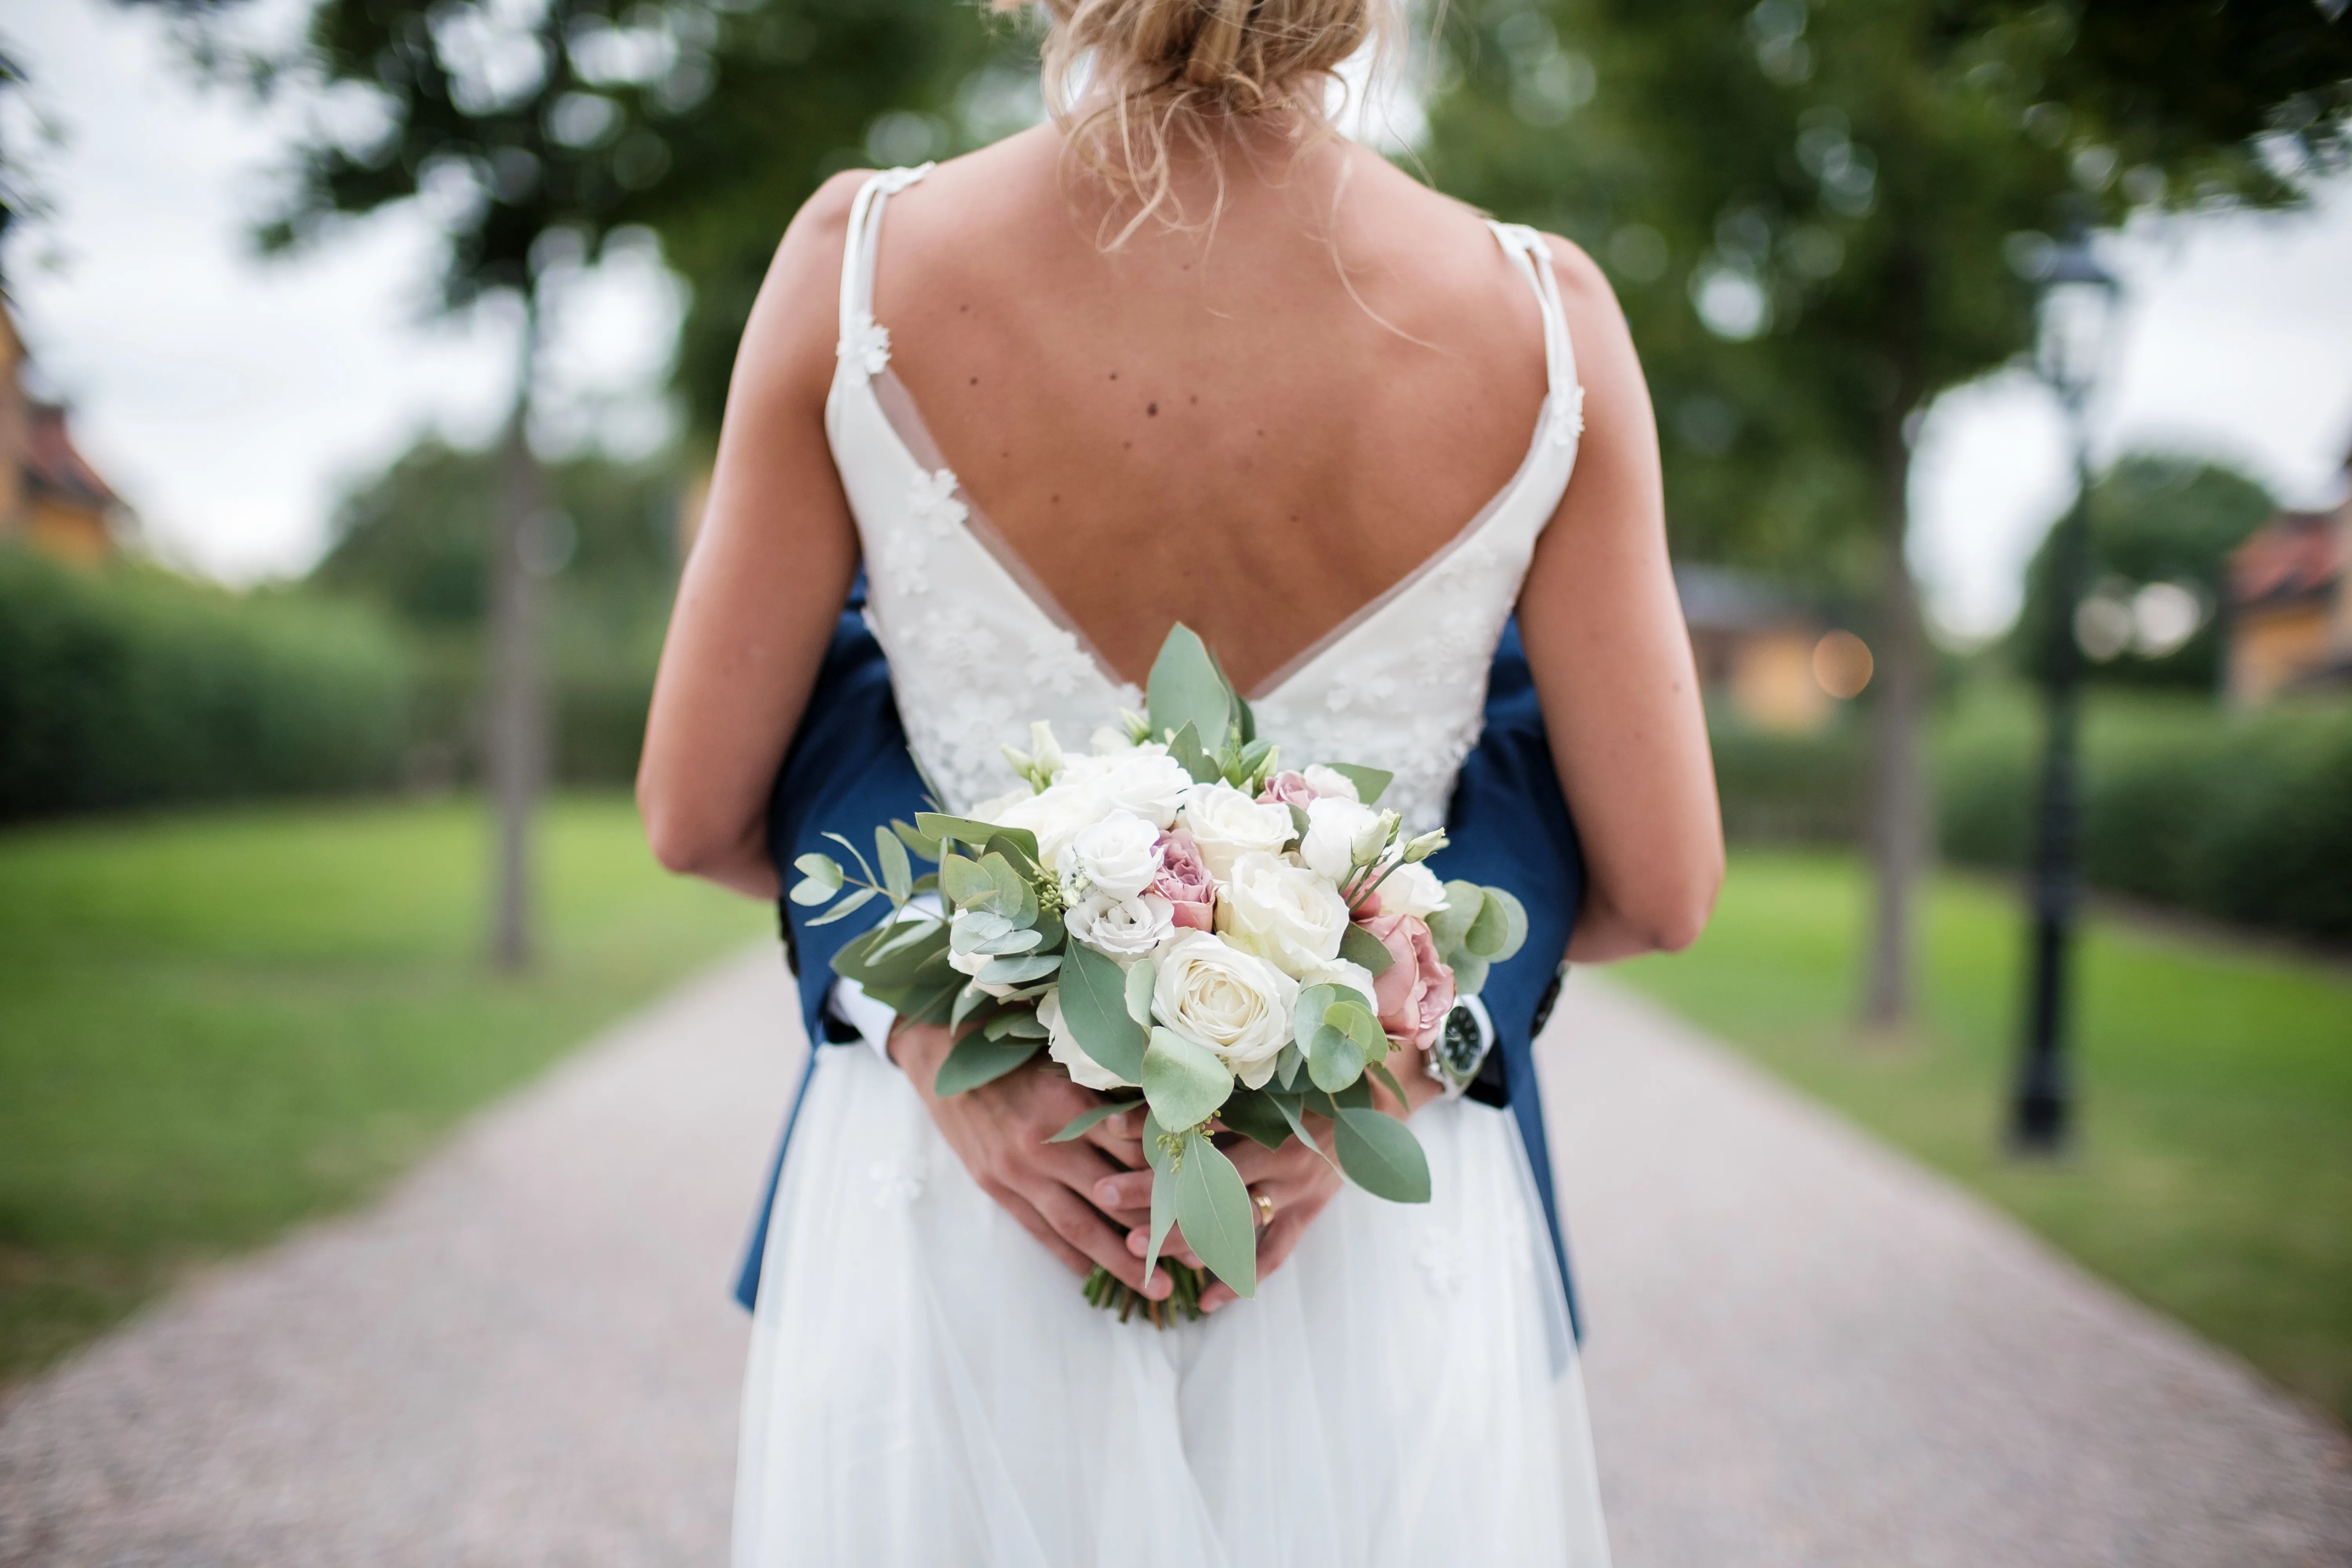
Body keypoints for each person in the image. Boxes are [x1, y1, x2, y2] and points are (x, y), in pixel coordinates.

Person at [637, 0, 1721, 1559]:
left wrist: (937, 1007)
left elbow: (693, 811)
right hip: (1355, 1222)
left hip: (972, 1212)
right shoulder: (1545, 318)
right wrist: (1406, 1041)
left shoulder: (856, 262)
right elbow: (1664, 886)